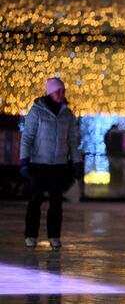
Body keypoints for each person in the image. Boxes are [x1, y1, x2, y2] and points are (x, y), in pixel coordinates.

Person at [19, 78, 83, 249]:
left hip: (59, 165)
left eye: (63, 91)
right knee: (35, 201)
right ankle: (31, 235)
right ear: (50, 92)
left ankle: (54, 236)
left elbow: (72, 141)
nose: (62, 94)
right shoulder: (37, 112)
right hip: (38, 164)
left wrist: (77, 162)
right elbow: (27, 138)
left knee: (56, 203)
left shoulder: (67, 114)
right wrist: (24, 160)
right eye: (58, 91)